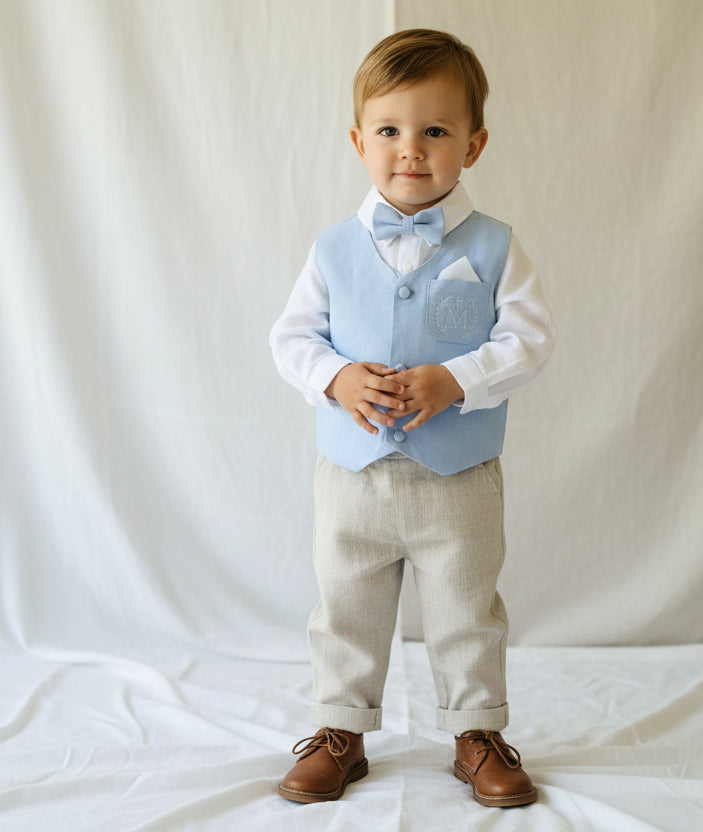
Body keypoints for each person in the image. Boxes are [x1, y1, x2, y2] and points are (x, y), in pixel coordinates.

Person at [268, 28, 554, 807]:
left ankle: (476, 730)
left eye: (435, 131)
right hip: (350, 478)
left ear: (474, 143)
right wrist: (337, 377)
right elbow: (291, 338)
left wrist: (458, 380)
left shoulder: (495, 246)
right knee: (345, 607)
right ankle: (339, 729)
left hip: (458, 476)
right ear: (360, 141)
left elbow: (528, 341)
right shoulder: (332, 248)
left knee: (467, 608)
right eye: (390, 131)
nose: (411, 150)